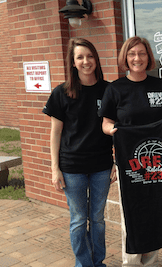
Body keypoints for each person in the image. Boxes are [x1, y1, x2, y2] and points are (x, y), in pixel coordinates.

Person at [98, 36, 162, 267]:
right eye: (132, 54)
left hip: (159, 164)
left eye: (142, 53)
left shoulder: (160, 87)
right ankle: (132, 262)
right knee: (132, 213)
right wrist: (118, 132)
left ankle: (151, 262)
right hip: (131, 166)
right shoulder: (115, 89)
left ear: (148, 57)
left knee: (156, 210)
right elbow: (105, 123)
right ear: (125, 57)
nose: (137, 58)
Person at [42, 38, 116, 267]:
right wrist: (55, 169)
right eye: (80, 57)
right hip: (72, 168)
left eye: (90, 56)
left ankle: (98, 262)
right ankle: (84, 264)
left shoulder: (108, 90)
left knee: (97, 219)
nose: (86, 61)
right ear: (73, 63)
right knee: (77, 220)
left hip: (101, 166)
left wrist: (115, 162)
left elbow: (116, 128)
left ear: (96, 59)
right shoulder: (61, 93)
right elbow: (55, 133)